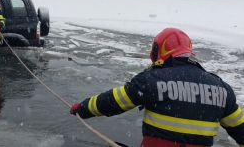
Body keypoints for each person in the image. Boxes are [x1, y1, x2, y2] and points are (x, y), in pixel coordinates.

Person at [70, 28, 244, 147]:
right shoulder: (222, 89)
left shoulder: (152, 80)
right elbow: (241, 129)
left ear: (157, 52)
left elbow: (113, 101)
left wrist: (82, 108)